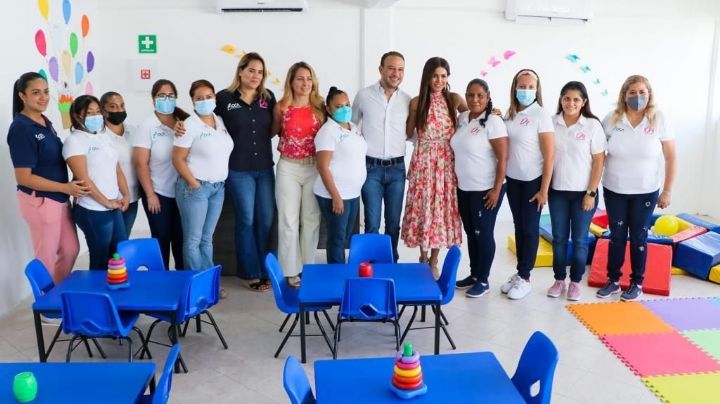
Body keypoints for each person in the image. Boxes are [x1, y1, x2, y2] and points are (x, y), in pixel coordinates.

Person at [596, 75, 676, 301]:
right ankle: (613, 280)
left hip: (646, 191)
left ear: (649, 94)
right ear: (624, 95)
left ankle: (637, 283)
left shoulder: (658, 119)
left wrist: (667, 190)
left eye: (642, 92)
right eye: (632, 92)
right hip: (615, 190)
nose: (638, 97)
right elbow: (597, 153)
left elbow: (671, 157)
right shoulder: (612, 119)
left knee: (639, 237)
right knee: (617, 236)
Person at [8, 72, 87, 284]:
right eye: (36, 93)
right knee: (46, 256)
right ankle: (45, 309)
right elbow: (24, 177)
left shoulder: (44, 121)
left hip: (59, 199)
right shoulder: (21, 129)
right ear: (22, 96)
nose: (43, 97)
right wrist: (65, 188)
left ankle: (56, 297)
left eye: (45, 92)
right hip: (40, 200)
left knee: (71, 249)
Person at [216, 52, 276, 291]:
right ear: (240, 71)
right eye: (251, 70)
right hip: (238, 169)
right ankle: (249, 272)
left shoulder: (268, 98)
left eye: (260, 72)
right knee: (246, 219)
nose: (255, 75)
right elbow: (205, 121)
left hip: (264, 167)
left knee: (267, 219)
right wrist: (179, 123)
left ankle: (266, 269)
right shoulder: (223, 98)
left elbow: (273, 129)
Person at [402, 56, 467, 278]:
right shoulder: (416, 101)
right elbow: (408, 132)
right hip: (423, 161)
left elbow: (474, 120)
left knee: (441, 209)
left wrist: (493, 111)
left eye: (443, 76)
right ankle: (422, 254)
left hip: (445, 162)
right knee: (423, 209)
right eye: (435, 76)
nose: (439, 80)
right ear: (427, 77)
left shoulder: (455, 100)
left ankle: (434, 259)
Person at [546, 81, 606, 301]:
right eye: (566, 98)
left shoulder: (591, 126)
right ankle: (559, 279)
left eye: (576, 99)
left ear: (584, 102)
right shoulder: (551, 123)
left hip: (584, 194)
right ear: (561, 99)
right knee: (560, 238)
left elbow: (599, 160)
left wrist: (591, 192)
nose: (571, 103)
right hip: (557, 192)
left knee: (580, 239)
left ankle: (576, 282)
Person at [352, 51, 411, 262]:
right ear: (381, 69)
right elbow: (350, 127)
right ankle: (371, 262)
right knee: (372, 222)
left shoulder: (408, 101)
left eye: (400, 69)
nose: (396, 73)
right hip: (370, 168)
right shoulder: (363, 96)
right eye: (391, 68)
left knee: (394, 221)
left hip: (397, 169)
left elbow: (412, 133)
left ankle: (390, 261)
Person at [451, 79, 508, 297]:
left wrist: (495, 190)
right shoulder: (463, 118)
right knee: (471, 233)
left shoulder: (494, 122)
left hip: (486, 188)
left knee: (483, 233)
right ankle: (474, 274)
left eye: (480, 96)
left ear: (487, 97)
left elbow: (503, 158)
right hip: (464, 187)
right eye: (471, 95)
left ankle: (483, 280)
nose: (475, 99)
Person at [501, 69, 555, 300]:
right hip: (513, 180)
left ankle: (525, 276)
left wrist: (544, 190)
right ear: (514, 87)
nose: (526, 90)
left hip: (533, 181)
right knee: (519, 226)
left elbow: (550, 154)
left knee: (530, 228)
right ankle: (519, 273)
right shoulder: (510, 113)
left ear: (537, 89)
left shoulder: (540, 115)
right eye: (522, 86)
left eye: (530, 87)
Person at [272, 62, 324, 287]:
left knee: (311, 220)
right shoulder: (281, 106)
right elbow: (273, 132)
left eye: (308, 78)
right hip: (288, 167)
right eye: (300, 79)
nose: (305, 83)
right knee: (288, 221)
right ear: (291, 82)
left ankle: (308, 267)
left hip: (313, 167)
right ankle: (290, 271)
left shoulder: (320, 106)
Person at [63, 95, 130, 269]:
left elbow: (117, 169)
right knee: (100, 259)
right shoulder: (74, 141)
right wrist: (106, 202)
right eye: (90, 113)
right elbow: (84, 179)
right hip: (92, 209)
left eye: (98, 112)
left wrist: (126, 195)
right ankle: (98, 295)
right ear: (78, 116)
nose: (96, 116)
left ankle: (114, 293)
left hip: (112, 206)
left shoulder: (102, 136)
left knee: (119, 254)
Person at [173, 80, 233, 271]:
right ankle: (196, 285)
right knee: (193, 240)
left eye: (208, 97)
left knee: (207, 239)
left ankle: (209, 283)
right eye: (199, 98)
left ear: (215, 97)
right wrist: (193, 183)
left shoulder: (219, 120)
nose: (205, 101)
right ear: (192, 101)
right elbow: (177, 159)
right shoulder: (188, 126)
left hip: (217, 188)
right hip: (195, 188)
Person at [133, 79, 188, 270]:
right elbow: (140, 163)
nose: (166, 99)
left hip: (182, 192)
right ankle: (160, 281)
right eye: (161, 95)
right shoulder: (147, 126)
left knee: (181, 240)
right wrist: (150, 195)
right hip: (158, 192)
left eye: (170, 96)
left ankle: (182, 282)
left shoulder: (184, 122)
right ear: (153, 99)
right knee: (161, 239)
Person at [315, 87, 367, 263]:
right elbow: (322, 167)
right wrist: (336, 197)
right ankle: (337, 279)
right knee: (337, 239)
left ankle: (340, 272)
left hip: (352, 193)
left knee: (344, 237)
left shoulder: (353, 127)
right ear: (329, 109)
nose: (345, 109)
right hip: (336, 195)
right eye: (339, 106)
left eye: (347, 105)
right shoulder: (327, 132)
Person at [101, 91, 139, 238]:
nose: (119, 110)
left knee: (123, 240)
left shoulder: (133, 130)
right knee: (113, 241)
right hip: (112, 198)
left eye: (122, 105)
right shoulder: (100, 136)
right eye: (113, 106)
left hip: (132, 196)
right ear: (103, 110)